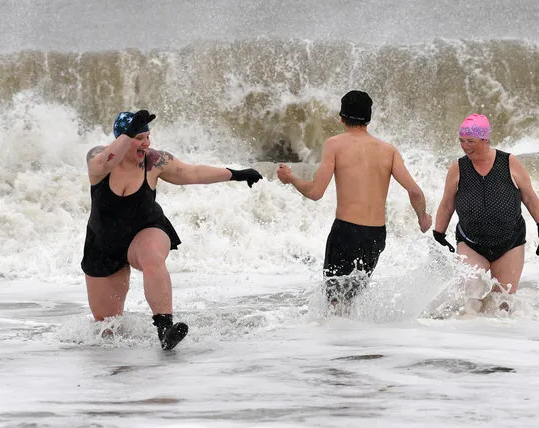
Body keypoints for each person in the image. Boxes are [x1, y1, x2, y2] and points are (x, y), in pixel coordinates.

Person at [81, 110, 263, 349]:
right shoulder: (99, 158)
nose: (146, 143)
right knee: (106, 329)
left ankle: (165, 327)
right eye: (139, 137)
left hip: (145, 230)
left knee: (151, 256)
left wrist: (236, 174)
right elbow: (102, 163)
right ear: (122, 137)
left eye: (148, 136)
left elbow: (192, 173)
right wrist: (128, 133)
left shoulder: (154, 161)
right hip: (103, 242)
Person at [276, 90, 432, 306]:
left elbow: (315, 192)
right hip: (376, 236)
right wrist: (423, 218)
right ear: (369, 119)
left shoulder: (334, 144)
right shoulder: (389, 151)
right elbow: (415, 191)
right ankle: (355, 339)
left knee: (335, 304)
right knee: (353, 301)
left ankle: (337, 339)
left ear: (341, 117)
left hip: (347, 233)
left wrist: (291, 178)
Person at [433, 113, 539, 303]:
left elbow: (529, 197)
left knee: (503, 305)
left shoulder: (509, 163)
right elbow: (447, 204)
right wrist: (438, 235)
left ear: (485, 139)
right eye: (461, 141)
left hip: (510, 243)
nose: (465, 146)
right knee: (470, 301)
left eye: (470, 141)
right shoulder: (457, 168)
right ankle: (464, 332)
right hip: (470, 242)